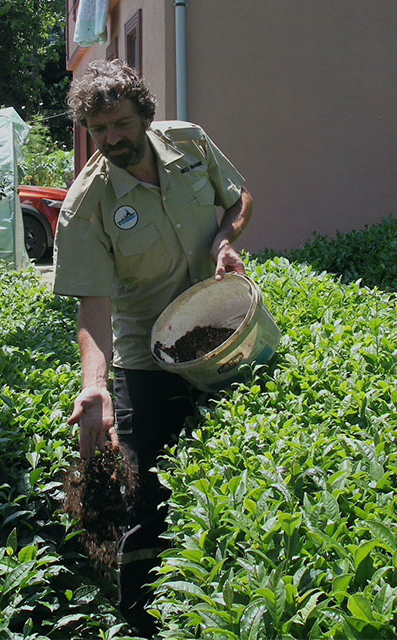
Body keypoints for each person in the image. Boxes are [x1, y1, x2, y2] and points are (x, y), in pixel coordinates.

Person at [52, 59, 253, 635]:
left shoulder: (189, 143)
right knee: (146, 492)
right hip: (148, 354)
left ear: (144, 112)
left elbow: (239, 199)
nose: (111, 138)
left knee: (232, 474)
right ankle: (139, 617)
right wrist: (95, 386)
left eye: (119, 123)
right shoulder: (85, 205)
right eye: (98, 129)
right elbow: (93, 308)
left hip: (221, 327)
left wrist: (224, 238)